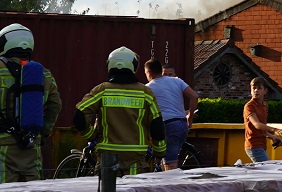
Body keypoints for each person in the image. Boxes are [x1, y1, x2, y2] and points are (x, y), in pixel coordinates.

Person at [75, 47, 161, 174]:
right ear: (133, 66)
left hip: (107, 159)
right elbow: (157, 125)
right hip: (135, 162)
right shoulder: (145, 93)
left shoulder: (101, 90)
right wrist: (160, 151)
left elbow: (79, 116)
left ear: (109, 65)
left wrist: (91, 136)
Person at [0, 24, 61, 182]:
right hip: (32, 146)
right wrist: (44, 132)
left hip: (3, 149)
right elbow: (55, 105)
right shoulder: (44, 73)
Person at [143, 58, 199, 171]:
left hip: (168, 126)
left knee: (170, 165)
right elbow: (194, 96)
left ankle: (172, 186)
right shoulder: (177, 81)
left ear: (148, 73)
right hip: (182, 125)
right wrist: (190, 117)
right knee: (167, 159)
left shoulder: (148, 88)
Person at [243, 77, 272, 164]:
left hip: (262, 144)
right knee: (267, 168)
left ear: (265, 91)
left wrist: (273, 137)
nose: (256, 91)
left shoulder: (264, 106)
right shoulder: (249, 106)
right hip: (253, 145)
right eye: (254, 88)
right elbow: (257, 125)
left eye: (259, 88)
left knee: (261, 171)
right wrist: (275, 130)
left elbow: (261, 129)